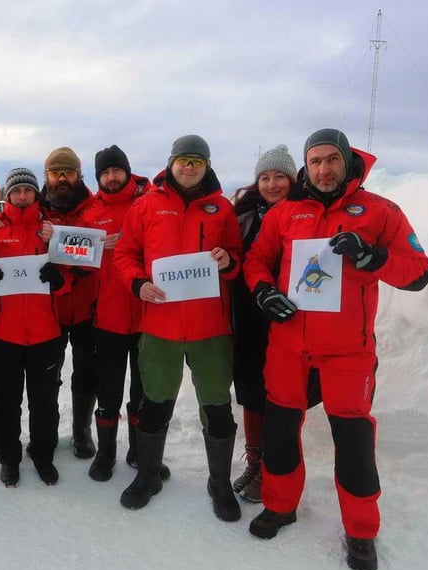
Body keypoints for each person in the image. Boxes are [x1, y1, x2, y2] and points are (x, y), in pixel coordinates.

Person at [243, 128, 428, 570]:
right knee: (280, 429)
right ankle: (280, 505)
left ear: (347, 161)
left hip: (349, 350)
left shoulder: (381, 211)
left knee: (353, 439)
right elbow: (257, 260)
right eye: (315, 161)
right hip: (289, 343)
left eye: (332, 160)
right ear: (305, 167)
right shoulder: (286, 212)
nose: (323, 169)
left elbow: (419, 271)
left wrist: (374, 258)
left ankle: (361, 529)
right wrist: (264, 291)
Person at [114, 135, 243, 522]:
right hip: (160, 325)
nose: (189, 167)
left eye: (197, 161)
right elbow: (125, 253)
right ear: (171, 163)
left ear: (207, 166)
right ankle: (148, 475)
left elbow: (237, 257)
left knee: (217, 407)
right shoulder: (146, 205)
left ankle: (219, 483)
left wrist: (228, 261)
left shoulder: (221, 208)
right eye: (183, 160)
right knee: (155, 404)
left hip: (210, 329)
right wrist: (137, 283)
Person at [80, 145, 169, 483]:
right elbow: (74, 260)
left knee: (143, 390)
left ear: (128, 171)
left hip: (148, 313)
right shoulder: (90, 213)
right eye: (105, 172)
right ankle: (106, 453)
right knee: (109, 389)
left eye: (116, 170)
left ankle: (139, 451)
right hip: (109, 316)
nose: (112, 177)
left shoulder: (150, 203)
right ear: (98, 177)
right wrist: (94, 248)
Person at [0, 168, 69, 486]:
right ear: (8, 194)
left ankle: (43, 455)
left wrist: (58, 280)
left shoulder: (50, 231)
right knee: (6, 402)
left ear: (35, 194)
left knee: (44, 402)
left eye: (27, 191)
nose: (21, 196)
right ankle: (9, 458)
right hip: (6, 332)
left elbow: (69, 275)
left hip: (45, 331)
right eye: (16, 191)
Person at [229, 144, 297, 503]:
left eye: (279, 177)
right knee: (251, 390)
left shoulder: (305, 213)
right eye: (265, 177)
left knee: (283, 394)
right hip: (249, 314)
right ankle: (255, 461)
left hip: (290, 315)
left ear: (293, 179)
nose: (272, 184)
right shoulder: (243, 215)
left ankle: (275, 464)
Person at [40, 146, 98, 459]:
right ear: (46, 176)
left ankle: (82, 431)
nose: (62, 178)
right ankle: (47, 431)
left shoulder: (95, 207)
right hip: (50, 309)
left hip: (89, 308)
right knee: (48, 374)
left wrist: (80, 267)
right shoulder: (36, 210)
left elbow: (104, 250)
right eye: (56, 173)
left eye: (69, 172)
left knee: (87, 373)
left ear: (79, 175)